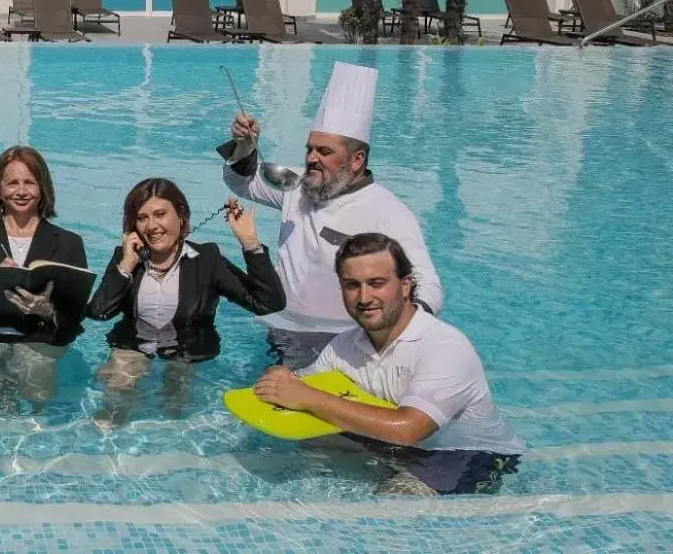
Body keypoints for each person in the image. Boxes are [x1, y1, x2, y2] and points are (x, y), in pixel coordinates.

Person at [253, 233, 523, 496]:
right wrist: (280, 378)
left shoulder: (444, 347)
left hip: (466, 455)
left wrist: (307, 396)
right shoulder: (343, 345)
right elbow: (299, 387)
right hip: (391, 446)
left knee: (388, 509)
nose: (364, 297)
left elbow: (409, 429)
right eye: (352, 285)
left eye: (377, 283)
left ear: (405, 286)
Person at [224, 61, 444, 369]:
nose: (312, 158)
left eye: (324, 152)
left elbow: (426, 283)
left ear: (356, 160)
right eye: (310, 149)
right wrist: (243, 145)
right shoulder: (294, 185)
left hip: (344, 343)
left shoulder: (388, 211)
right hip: (280, 330)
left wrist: (401, 338)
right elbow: (241, 181)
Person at [86, 179, 285, 429]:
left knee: (175, 407)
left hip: (187, 347)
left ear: (181, 216)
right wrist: (126, 265)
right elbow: (98, 313)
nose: (152, 226)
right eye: (142, 217)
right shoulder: (126, 257)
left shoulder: (207, 260)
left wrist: (250, 244)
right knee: (116, 384)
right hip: (134, 342)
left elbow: (268, 303)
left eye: (160, 214)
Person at [0, 146, 88, 412]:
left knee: (38, 390)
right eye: (12, 183)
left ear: (43, 188)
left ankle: (29, 410)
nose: (21, 191)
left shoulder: (70, 243)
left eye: (29, 183)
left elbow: (78, 313)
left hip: (42, 334)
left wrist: (48, 310)